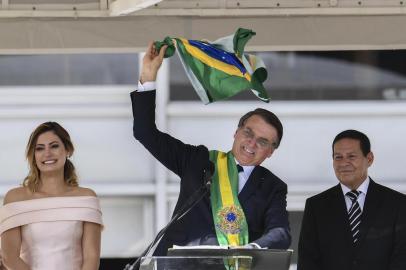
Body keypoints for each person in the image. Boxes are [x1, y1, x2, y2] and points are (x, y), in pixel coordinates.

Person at [131, 42, 291, 256]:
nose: (252, 143)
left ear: (271, 151)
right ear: (236, 132)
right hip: (182, 264)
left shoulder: (273, 187)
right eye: (248, 133)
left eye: (262, 142)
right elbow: (145, 132)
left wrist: (251, 249)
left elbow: (280, 233)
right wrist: (148, 76)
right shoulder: (198, 160)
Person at [0, 122, 103, 270]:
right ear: (33, 155)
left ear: (67, 150)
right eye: (39, 148)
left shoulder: (86, 198)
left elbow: (91, 259)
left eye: (54, 146)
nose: (47, 153)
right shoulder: (15, 198)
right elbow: (9, 257)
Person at [298, 129, 406, 270]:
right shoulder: (316, 206)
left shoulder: (397, 204)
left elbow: (401, 259)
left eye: (351, 156)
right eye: (338, 157)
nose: (344, 163)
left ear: (369, 159)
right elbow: (308, 261)